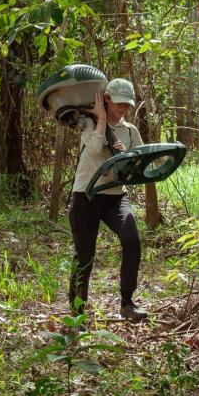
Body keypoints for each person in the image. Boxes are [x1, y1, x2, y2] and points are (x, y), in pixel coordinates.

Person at [68, 78, 148, 322]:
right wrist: (101, 119)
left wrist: (127, 156)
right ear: (106, 99)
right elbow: (93, 149)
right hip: (86, 196)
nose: (123, 108)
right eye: (118, 103)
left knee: (132, 241)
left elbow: (138, 166)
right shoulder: (89, 123)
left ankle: (127, 303)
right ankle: (77, 314)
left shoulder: (131, 131)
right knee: (84, 255)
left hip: (115, 197)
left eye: (127, 104)